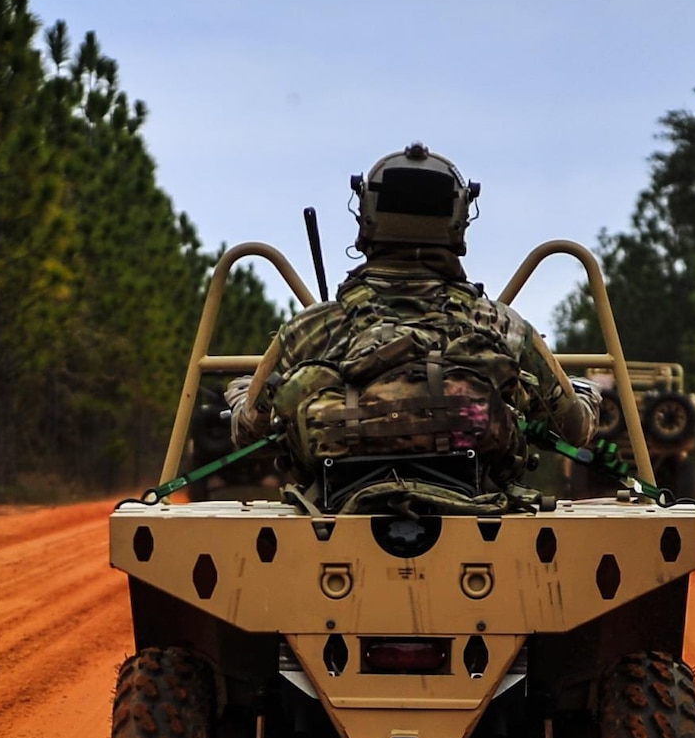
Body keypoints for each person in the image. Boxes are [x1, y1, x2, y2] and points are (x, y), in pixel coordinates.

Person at [227, 143, 597, 513]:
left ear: (367, 216)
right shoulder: (503, 326)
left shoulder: (309, 328)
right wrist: (589, 395)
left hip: (330, 519)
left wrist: (241, 394)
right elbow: (573, 431)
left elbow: (248, 432)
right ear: (458, 219)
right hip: (482, 514)